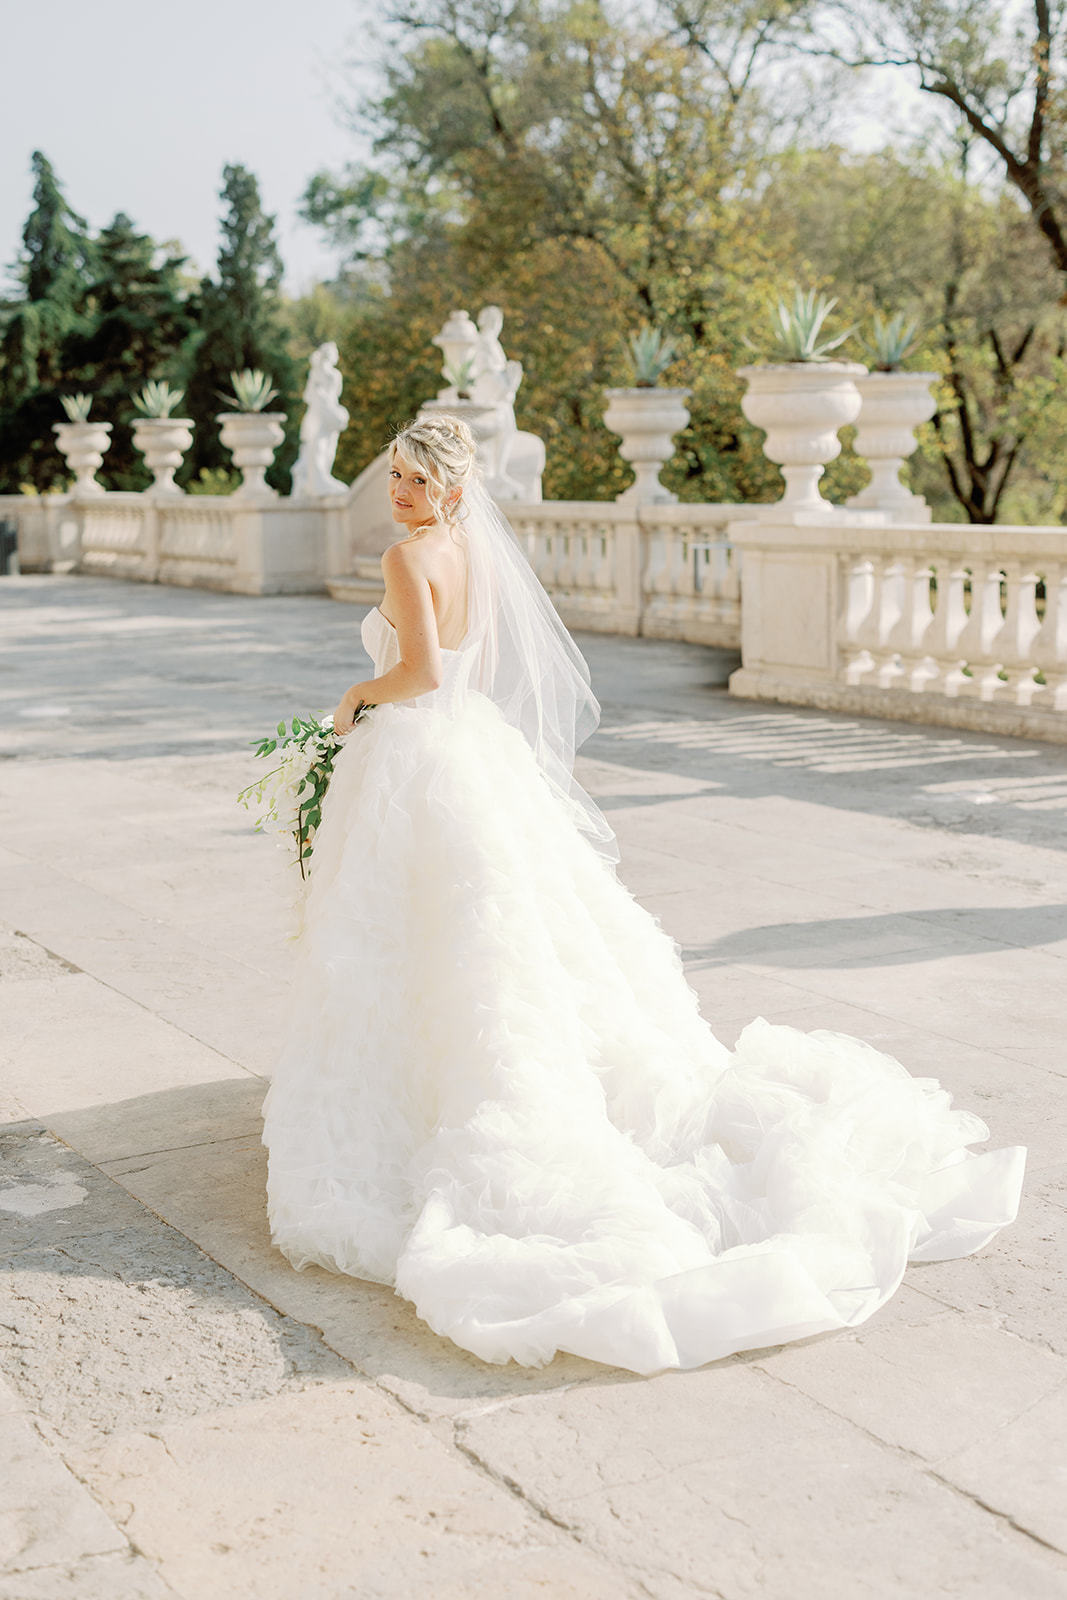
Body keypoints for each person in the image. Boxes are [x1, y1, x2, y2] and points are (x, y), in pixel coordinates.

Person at [261, 414, 1026, 1376]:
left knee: (429, 934)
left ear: (449, 488)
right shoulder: (474, 556)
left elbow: (414, 672)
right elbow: (469, 666)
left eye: (414, 479)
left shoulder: (408, 560)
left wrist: (351, 703)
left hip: (420, 750)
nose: (398, 492)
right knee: (491, 934)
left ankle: (421, 1096)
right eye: (395, 477)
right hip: (474, 751)